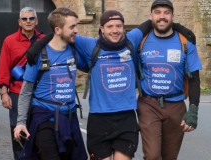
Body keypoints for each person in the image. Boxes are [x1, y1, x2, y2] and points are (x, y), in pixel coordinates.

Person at [26, 9, 195, 160]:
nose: (115, 30)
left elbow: (156, 22)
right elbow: (61, 32)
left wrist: (182, 29)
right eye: (109, 26)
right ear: (101, 29)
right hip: (99, 119)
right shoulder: (90, 45)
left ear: (124, 28)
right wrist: (37, 45)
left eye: (119, 26)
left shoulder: (131, 40)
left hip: (126, 118)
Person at [13, 7, 88, 160]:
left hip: (69, 117)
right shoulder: (39, 55)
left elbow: (93, 65)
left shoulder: (74, 51)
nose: (77, 30)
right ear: (58, 30)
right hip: (44, 117)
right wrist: (20, 122)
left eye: (76, 25)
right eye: (72, 27)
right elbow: (26, 91)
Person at [137, 0, 202, 159]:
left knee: (170, 157)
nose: (162, 16)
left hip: (176, 106)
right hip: (148, 105)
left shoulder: (185, 41)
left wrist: (193, 109)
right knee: (152, 156)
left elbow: (194, 78)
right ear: (150, 16)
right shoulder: (141, 41)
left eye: (166, 12)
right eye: (157, 12)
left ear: (173, 16)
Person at [0, 7, 44, 160]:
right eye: (25, 19)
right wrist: (4, 93)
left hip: (40, 93)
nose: (28, 21)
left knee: (41, 132)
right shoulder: (9, 41)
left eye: (31, 18)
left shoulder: (45, 40)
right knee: (19, 133)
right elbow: (3, 68)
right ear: (19, 22)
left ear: (36, 21)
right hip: (17, 93)